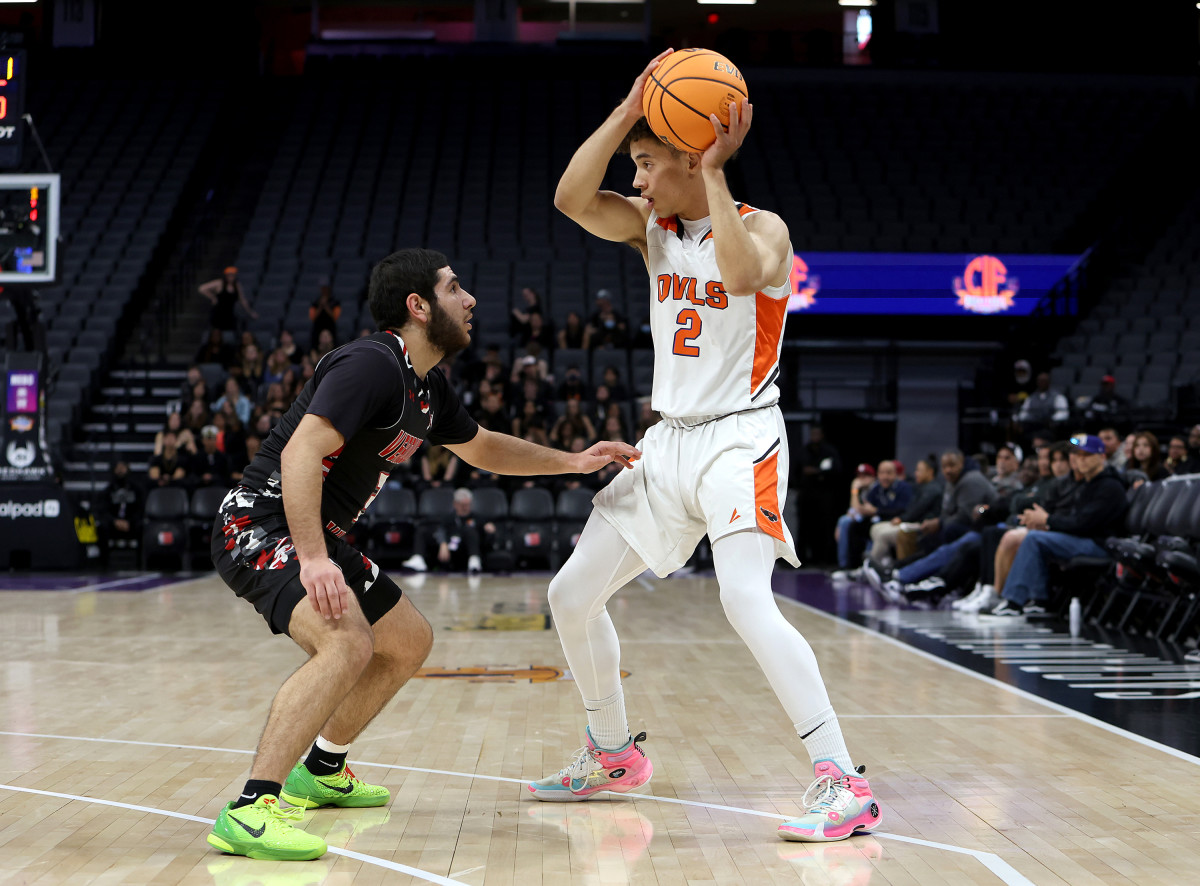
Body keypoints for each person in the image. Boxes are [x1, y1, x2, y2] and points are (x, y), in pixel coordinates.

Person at [526, 53, 881, 843]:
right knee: (571, 595)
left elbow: (743, 275)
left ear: (692, 156)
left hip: (740, 437)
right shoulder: (649, 229)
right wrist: (629, 112)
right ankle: (612, 754)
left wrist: (714, 170)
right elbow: (570, 198)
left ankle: (842, 780)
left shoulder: (765, 228)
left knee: (744, 598)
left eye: (648, 164)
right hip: (669, 443)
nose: (638, 181)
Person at [206, 248, 639, 861]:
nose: (470, 299)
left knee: (407, 640)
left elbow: (482, 447)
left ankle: (322, 769)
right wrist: (314, 558)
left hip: (316, 534)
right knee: (346, 643)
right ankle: (251, 809)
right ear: (418, 305)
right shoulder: (371, 364)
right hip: (259, 524)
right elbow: (300, 452)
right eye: (454, 288)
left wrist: (573, 460)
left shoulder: (426, 384)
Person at [984, 434, 1127, 617]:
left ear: (1102, 457)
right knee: (1034, 536)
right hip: (1084, 538)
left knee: (1034, 539)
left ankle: (1013, 601)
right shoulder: (1088, 483)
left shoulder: (1109, 486)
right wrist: (1045, 524)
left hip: (1099, 544)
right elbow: (1075, 520)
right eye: (1078, 455)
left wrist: (1047, 520)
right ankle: (1038, 600)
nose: (1081, 460)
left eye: (1087, 455)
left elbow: (1082, 524)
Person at [867, 456, 941, 569]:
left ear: (930, 472)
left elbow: (917, 510)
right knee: (876, 528)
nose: (915, 473)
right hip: (912, 522)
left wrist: (902, 518)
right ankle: (885, 562)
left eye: (919, 470)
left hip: (922, 525)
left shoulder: (932, 489)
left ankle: (871, 565)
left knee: (882, 534)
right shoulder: (922, 487)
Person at [401, 487, 494, 574]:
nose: (465, 508)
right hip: (450, 550)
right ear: (455, 504)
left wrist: (489, 529)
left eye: (467, 505)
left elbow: (487, 537)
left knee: (471, 531)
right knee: (422, 531)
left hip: (467, 551)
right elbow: (440, 530)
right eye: (462, 505)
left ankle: (474, 561)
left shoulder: (478, 518)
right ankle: (418, 558)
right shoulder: (448, 518)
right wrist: (443, 543)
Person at [95, 461, 143, 563]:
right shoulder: (107, 491)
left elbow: (140, 509)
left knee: (142, 526)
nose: (120, 470)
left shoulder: (136, 490)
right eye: (118, 468)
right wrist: (115, 521)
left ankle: (141, 562)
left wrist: (129, 521)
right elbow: (103, 510)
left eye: (123, 467)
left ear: (128, 469)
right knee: (101, 527)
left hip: (131, 524)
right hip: (113, 524)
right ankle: (103, 562)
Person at [199, 266, 258, 333]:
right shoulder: (219, 283)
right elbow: (202, 288)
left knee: (231, 331)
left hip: (230, 314)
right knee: (216, 331)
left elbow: (243, 300)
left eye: (233, 275)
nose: (231, 277)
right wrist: (213, 297)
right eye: (229, 275)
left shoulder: (237, 285)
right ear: (226, 276)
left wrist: (250, 312)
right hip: (218, 313)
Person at [309, 279, 341, 352]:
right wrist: (320, 306)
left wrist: (326, 306)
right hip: (318, 328)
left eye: (326, 288)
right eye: (323, 288)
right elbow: (312, 317)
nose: (324, 290)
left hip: (331, 327)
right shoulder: (315, 302)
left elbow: (335, 317)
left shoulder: (335, 302)